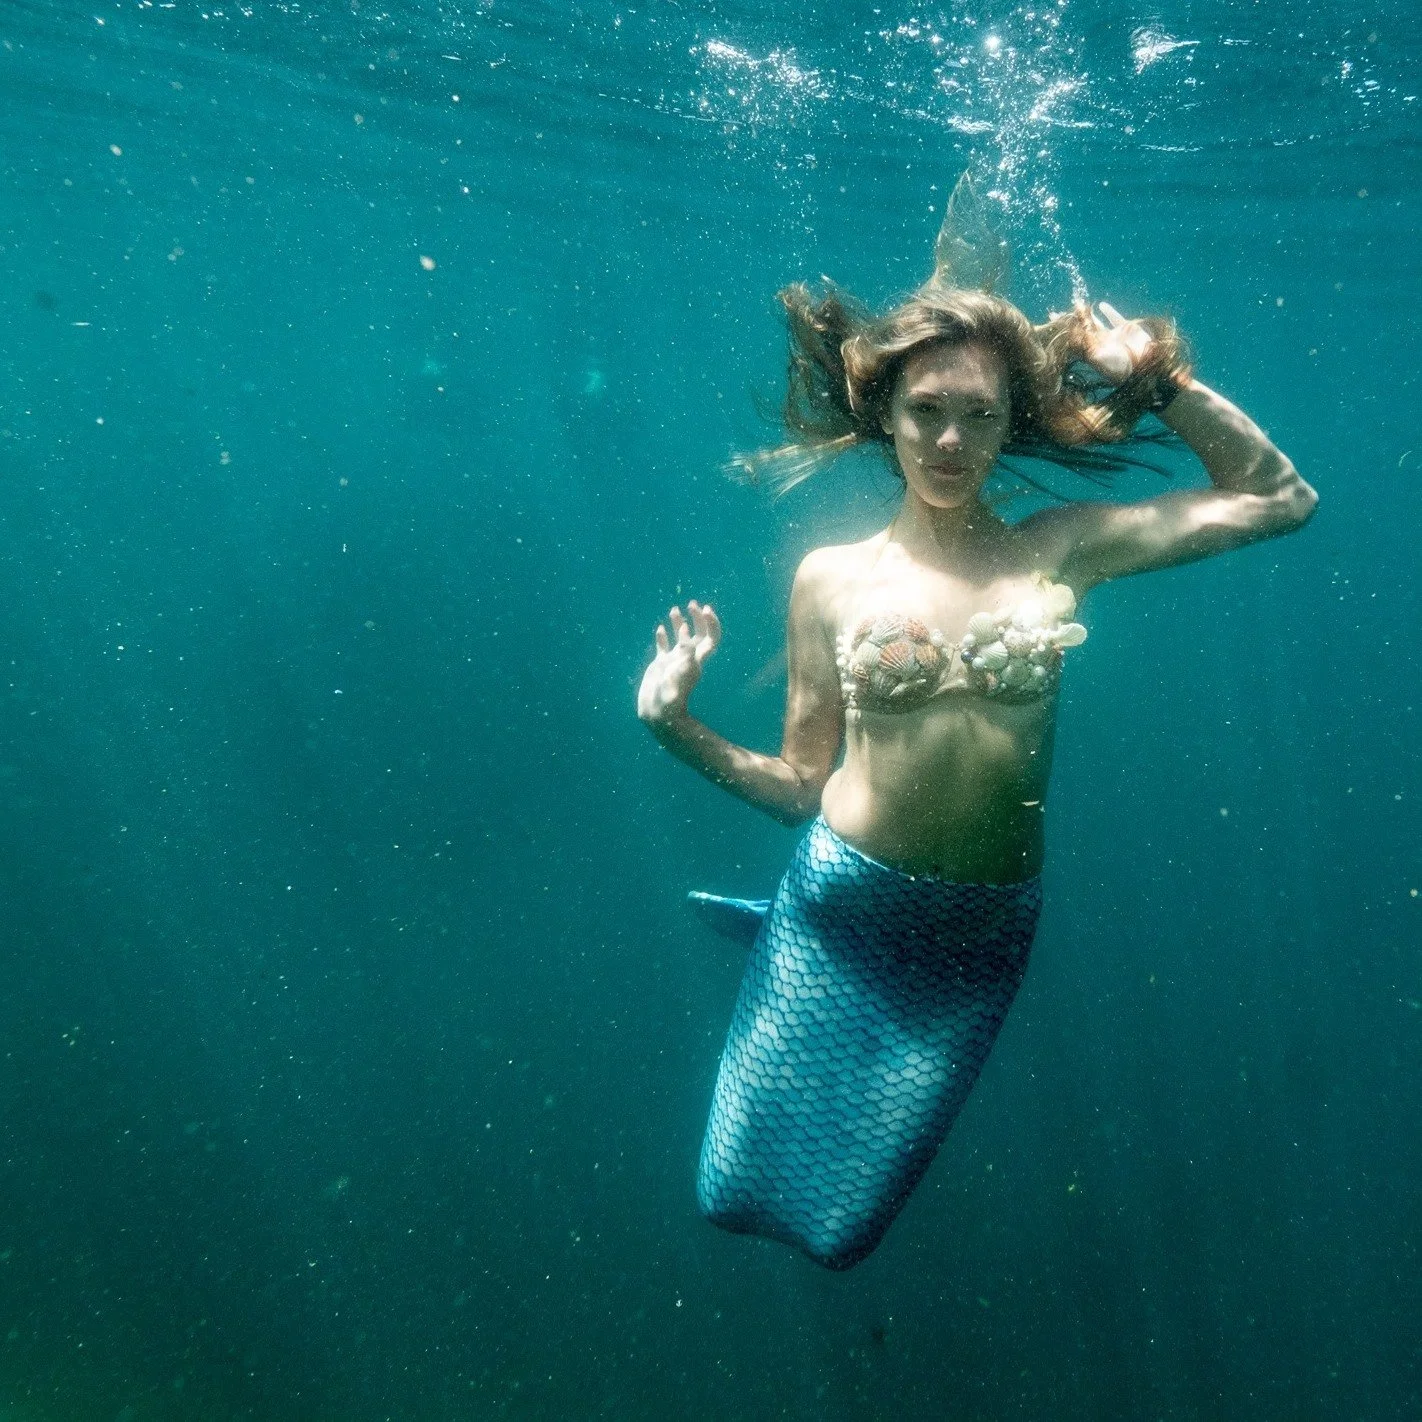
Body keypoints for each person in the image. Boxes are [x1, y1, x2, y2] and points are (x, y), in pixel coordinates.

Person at [635, 178, 1317, 1271]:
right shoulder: (831, 580)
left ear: (1011, 423)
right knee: (729, 1187)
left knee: (841, 1231)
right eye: (925, 412)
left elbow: (1279, 497)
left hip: (977, 936)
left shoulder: (1062, 547)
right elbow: (800, 785)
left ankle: (768, 940)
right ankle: (775, 931)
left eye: (980, 415)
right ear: (886, 416)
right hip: (843, 906)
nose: (950, 440)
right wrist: (676, 727)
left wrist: (1158, 380)